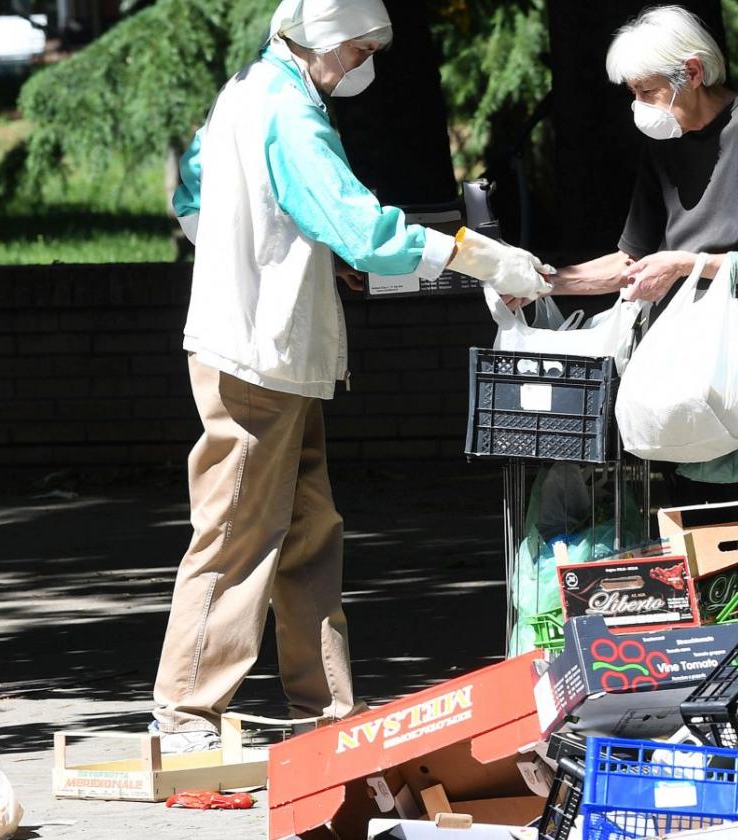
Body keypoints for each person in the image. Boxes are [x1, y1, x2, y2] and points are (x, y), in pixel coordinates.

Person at [154, 0, 550, 754]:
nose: (365, 64)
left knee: (308, 535)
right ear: (328, 40)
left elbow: (195, 199)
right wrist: (481, 256)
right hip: (257, 353)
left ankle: (326, 715)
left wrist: (275, 256)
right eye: (361, 48)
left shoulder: (246, 90)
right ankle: (185, 718)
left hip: (262, 348)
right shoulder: (291, 114)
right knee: (237, 535)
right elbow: (363, 229)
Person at [537, 4, 738, 565]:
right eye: (632, 93)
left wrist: (684, 264)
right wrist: (547, 281)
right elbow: (633, 260)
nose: (639, 106)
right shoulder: (661, 146)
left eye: (646, 91)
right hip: (676, 358)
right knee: (692, 518)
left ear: (691, 72)